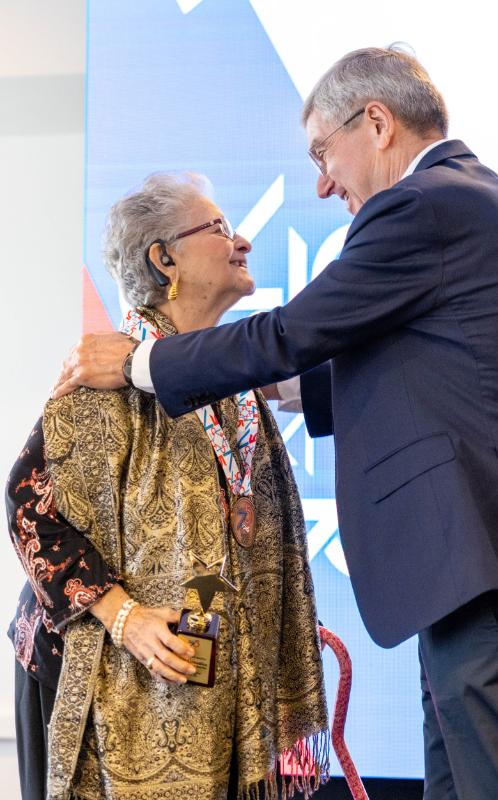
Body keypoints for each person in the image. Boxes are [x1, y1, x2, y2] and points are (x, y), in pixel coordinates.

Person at [53, 47, 498, 798]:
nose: (323, 183)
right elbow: (428, 367)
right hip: (488, 570)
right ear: (162, 259)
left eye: (322, 153)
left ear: (378, 123)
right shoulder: (489, 202)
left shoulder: (423, 204)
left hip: (490, 572)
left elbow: (293, 331)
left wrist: (143, 362)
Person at [7, 172, 329, 800]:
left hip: (206, 684)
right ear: (164, 260)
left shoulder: (229, 380)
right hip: (102, 678)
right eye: (220, 229)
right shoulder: (107, 374)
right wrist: (123, 616)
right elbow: (30, 507)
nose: (242, 242)